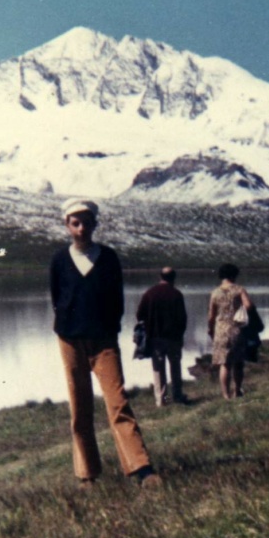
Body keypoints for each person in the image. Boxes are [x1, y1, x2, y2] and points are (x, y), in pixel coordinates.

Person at [49, 198, 160, 489]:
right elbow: (56, 298)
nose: (82, 228)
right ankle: (87, 474)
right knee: (80, 405)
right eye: (76, 222)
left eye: (87, 222)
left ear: (95, 224)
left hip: (103, 341)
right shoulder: (59, 260)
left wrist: (108, 328)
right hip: (70, 340)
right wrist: (67, 327)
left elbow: (117, 300)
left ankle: (142, 468)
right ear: (67, 225)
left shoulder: (108, 257)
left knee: (118, 401)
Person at [136, 267, 189, 407]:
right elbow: (183, 318)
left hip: (155, 338)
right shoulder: (177, 294)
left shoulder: (150, 293)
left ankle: (161, 400)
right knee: (175, 367)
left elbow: (139, 315)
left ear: (160, 277)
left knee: (158, 369)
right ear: (173, 278)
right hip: (173, 338)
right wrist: (180, 335)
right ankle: (177, 396)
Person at [207, 263, 254, 400]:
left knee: (225, 364)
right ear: (234, 274)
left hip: (221, 330)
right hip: (236, 329)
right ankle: (237, 390)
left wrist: (210, 330)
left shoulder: (215, 292)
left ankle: (226, 395)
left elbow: (211, 315)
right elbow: (249, 305)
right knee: (238, 362)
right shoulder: (239, 290)